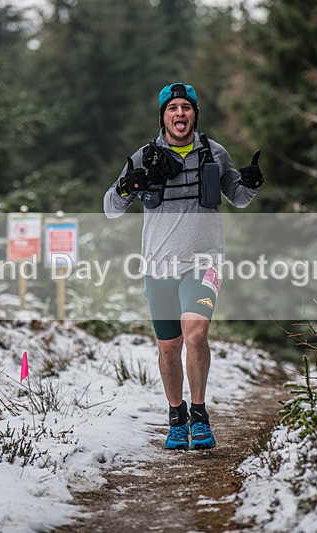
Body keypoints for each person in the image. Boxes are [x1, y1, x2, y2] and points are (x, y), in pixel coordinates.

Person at [103, 82, 263, 450]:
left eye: (186, 108)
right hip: (158, 266)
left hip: (204, 261)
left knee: (196, 334)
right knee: (169, 348)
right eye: (173, 108)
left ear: (194, 114)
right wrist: (127, 187)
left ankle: (199, 414)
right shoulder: (144, 155)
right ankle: (176, 418)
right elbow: (110, 208)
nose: (180, 114)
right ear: (163, 116)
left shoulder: (214, 152)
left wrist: (251, 184)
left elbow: (236, 197)